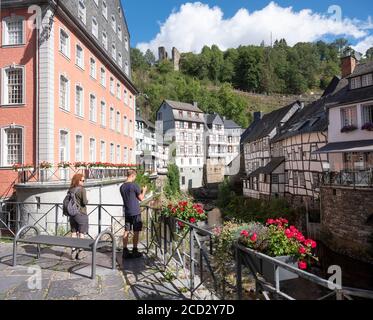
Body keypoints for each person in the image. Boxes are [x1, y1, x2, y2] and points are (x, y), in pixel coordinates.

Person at [120, 170, 147, 259]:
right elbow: (141, 198)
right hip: (135, 212)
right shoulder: (134, 185)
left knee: (126, 231)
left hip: (127, 212)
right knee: (136, 231)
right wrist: (144, 190)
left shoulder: (122, 187)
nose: (135, 178)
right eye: (135, 177)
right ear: (132, 175)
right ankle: (135, 250)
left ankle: (125, 250)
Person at [68, 174, 89, 260]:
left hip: (72, 215)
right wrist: (88, 198)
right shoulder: (82, 190)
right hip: (81, 214)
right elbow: (84, 202)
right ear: (78, 181)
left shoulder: (70, 190)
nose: (83, 182)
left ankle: (73, 252)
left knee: (73, 233)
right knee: (81, 233)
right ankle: (80, 253)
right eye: (82, 180)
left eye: (84, 181)